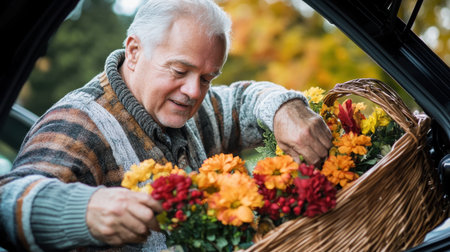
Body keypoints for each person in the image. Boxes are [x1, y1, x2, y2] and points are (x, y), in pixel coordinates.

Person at [0, 0, 332, 251]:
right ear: (133, 52)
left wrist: (284, 108)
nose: (193, 92)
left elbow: (243, 99)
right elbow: (6, 201)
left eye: (206, 78)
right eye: (179, 71)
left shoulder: (187, 111)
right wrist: (82, 209)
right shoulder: (77, 123)